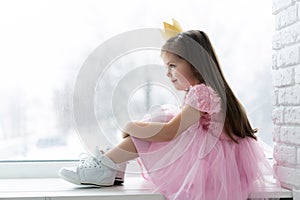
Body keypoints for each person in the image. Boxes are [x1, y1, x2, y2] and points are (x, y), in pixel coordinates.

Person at [59, 22, 276, 200]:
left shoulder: (202, 93)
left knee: (159, 121)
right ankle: (111, 165)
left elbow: (170, 132)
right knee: (160, 119)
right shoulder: (207, 91)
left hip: (211, 168)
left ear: (194, 63)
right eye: (166, 67)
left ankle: (108, 166)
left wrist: (133, 126)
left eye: (172, 66)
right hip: (218, 164)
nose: (168, 74)